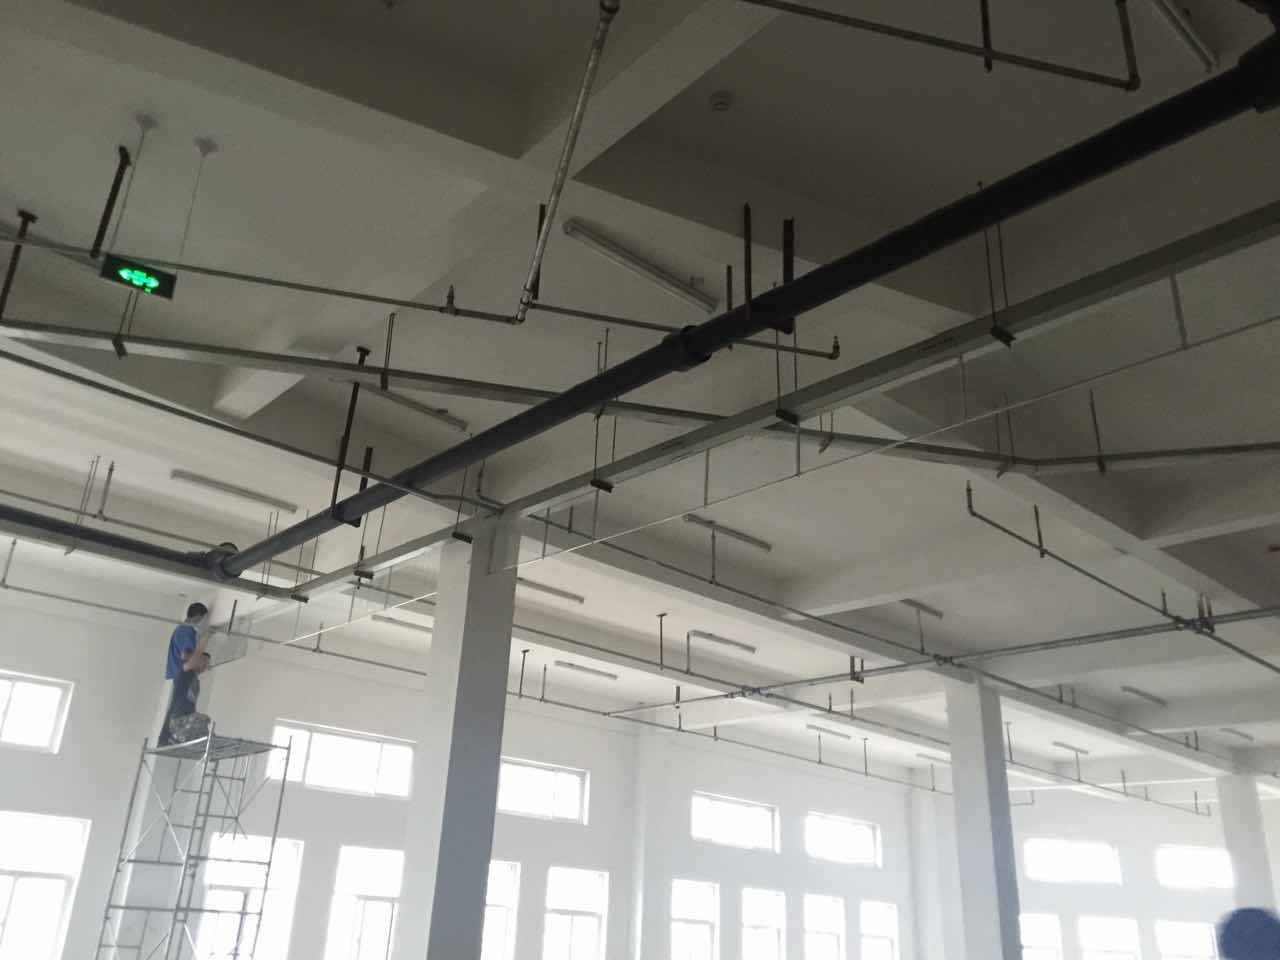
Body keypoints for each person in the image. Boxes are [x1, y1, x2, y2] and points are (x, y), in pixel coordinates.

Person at [158, 602, 210, 746]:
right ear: (198, 616)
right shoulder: (186, 630)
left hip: (180, 673)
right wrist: (204, 640)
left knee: (178, 708)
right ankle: (169, 739)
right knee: (182, 710)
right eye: (203, 619)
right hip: (181, 672)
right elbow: (186, 656)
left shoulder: (182, 630)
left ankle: (168, 739)